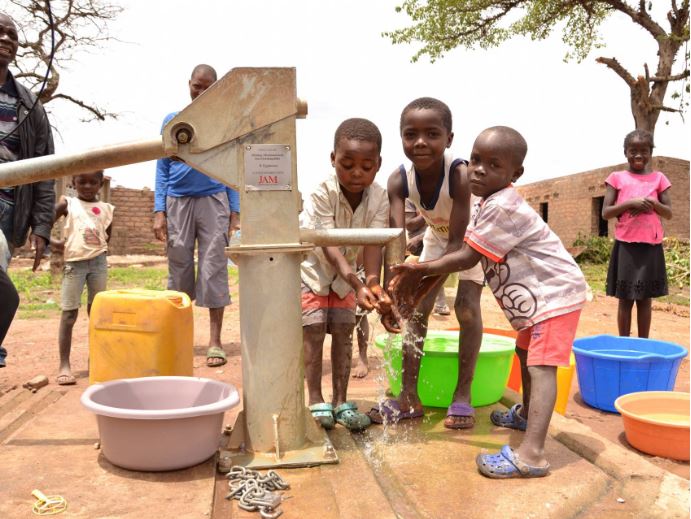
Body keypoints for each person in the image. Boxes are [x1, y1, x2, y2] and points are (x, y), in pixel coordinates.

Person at [390, 126, 587, 479]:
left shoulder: (503, 207)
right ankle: (526, 413)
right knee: (525, 353)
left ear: (515, 174)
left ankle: (533, 454)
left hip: (554, 297)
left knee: (542, 366)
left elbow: (466, 258)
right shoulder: (486, 202)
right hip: (539, 301)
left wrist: (417, 272)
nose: (478, 170)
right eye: (476, 160)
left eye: (493, 165)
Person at [370, 97, 485, 429]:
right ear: (401, 137)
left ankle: (462, 396)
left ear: (448, 138)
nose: (420, 142)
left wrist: (419, 282)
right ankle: (408, 397)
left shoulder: (459, 174)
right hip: (439, 235)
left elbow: (458, 246)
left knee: (465, 307)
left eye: (432, 134)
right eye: (411, 134)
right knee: (415, 312)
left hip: (471, 238)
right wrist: (391, 295)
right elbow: (395, 241)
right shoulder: (399, 180)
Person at [301, 117, 391, 431]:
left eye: (366, 167)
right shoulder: (321, 193)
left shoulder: (379, 197)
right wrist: (357, 281)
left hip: (347, 273)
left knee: (343, 330)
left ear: (378, 164)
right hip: (313, 268)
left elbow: (373, 244)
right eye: (347, 164)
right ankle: (315, 400)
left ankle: (340, 402)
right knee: (312, 329)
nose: (356, 173)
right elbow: (328, 245)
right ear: (333, 159)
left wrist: (374, 283)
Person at [153, 64, 240, 368]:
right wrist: (159, 210)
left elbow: (233, 167)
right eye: (196, 86)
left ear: (216, 89)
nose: (201, 93)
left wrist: (235, 209)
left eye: (207, 88)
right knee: (178, 268)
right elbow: (162, 168)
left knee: (213, 266)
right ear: (188, 84)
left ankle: (215, 341)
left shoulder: (223, 124)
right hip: (177, 201)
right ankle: (180, 337)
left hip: (213, 200)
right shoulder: (172, 121)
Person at [0, 12, 55, 367]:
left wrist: (42, 228)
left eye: (12, 35)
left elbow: (46, 169)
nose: (6, 39)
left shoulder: (29, 105)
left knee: (4, 295)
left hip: (6, 212)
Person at [602, 129, 672, 338]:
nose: (638, 155)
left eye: (644, 150)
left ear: (651, 152)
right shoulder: (616, 178)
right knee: (625, 299)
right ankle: (624, 341)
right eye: (633, 151)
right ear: (625, 152)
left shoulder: (659, 178)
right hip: (626, 246)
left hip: (650, 246)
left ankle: (643, 342)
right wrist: (630, 203)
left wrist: (652, 203)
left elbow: (668, 213)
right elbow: (606, 212)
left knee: (645, 299)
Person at [51, 171, 113, 385]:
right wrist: (53, 242)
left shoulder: (106, 209)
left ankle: (95, 361)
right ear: (72, 182)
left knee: (96, 313)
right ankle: (64, 364)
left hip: (98, 264)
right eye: (82, 182)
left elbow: (107, 235)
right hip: (74, 265)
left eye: (93, 182)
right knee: (69, 314)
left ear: (100, 183)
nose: (87, 186)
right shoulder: (67, 203)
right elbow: (45, 220)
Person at [405, 199, 450, 316]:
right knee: (425, 273)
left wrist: (431, 212)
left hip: (436, 236)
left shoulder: (446, 194)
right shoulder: (410, 197)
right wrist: (429, 212)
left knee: (434, 270)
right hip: (418, 240)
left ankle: (440, 304)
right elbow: (409, 224)